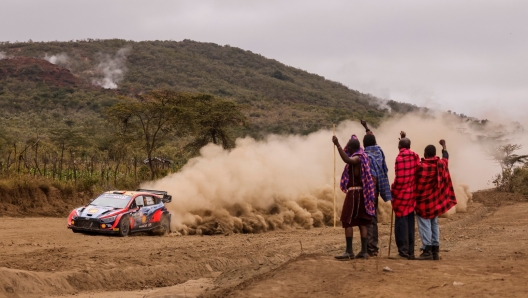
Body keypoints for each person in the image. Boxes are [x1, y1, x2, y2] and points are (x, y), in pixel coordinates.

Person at [332, 134, 376, 260]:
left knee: (347, 220)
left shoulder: (357, 158)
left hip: (355, 193)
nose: (348, 151)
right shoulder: (363, 156)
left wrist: (338, 145)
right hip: (362, 193)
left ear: (352, 149)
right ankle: (364, 251)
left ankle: (349, 251)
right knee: (362, 222)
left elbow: (347, 160)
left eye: (349, 149)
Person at [415, 140, 457, 260]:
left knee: (425, 225)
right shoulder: (441, 164)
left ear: (424, 154)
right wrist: (444, 146)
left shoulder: (421, 167)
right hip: (435, 202)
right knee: (434, 224)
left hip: (423, 202)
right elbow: (446, 157)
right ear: (434, 154)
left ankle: (427, 251)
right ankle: (435, 251)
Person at [360, 120, 392, 257]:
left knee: (367, 219)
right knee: (373, 218)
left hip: (367, 192)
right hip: (377, 191)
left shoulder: (364, 156)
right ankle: (373, 247)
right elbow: (373, 140)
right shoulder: (378, 152)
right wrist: (366, 127)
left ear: (364, 145)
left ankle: (370, 248)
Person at [390, 131, 420, 260]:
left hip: (402, 196)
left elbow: (399, 178)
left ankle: (403, 252)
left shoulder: (399, 158)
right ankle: (411, 252)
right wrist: (403, 139)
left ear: (399, 148)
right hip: (412, 195)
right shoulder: (415, 156)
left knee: (401, 223)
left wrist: (393, 189)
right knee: (409, 222)